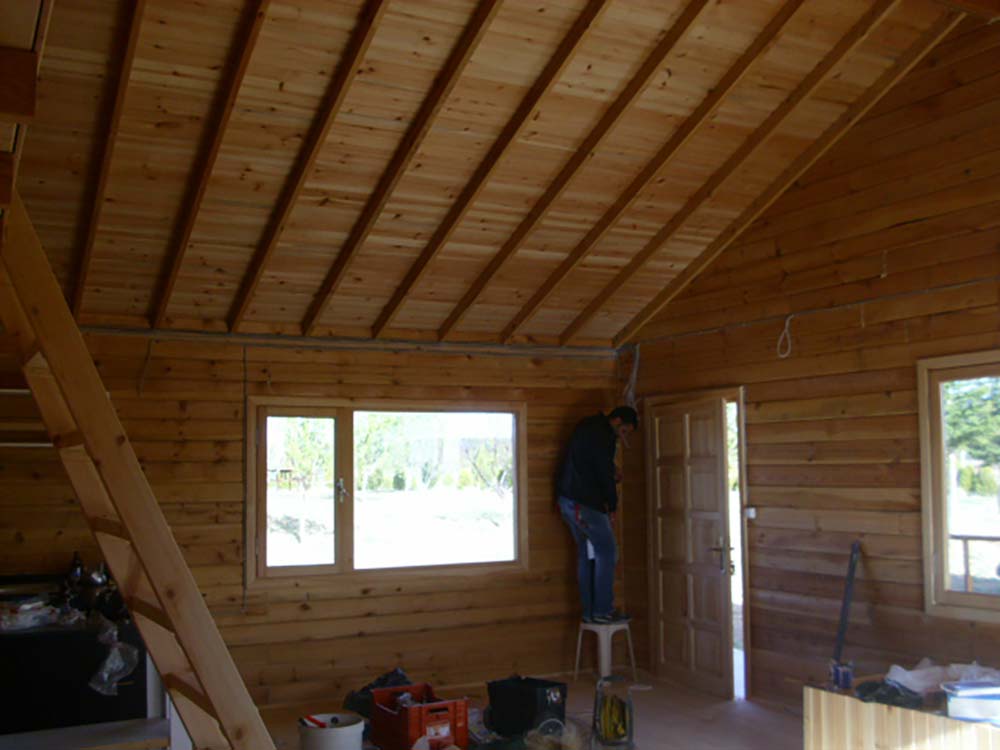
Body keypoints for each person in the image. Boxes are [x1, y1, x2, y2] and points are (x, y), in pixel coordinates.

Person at [556, 406, 638, 624]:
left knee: (587, 553)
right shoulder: (605, 436)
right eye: (624, 431)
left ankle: (590, 611)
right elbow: (601, 471)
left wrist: (610, 469)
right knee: (607, 551)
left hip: (567, 500)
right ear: (617, 421)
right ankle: (602, 610)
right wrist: (612, 505)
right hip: (584, 503)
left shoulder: (588, 425)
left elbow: (589, 460)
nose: (623, 437)